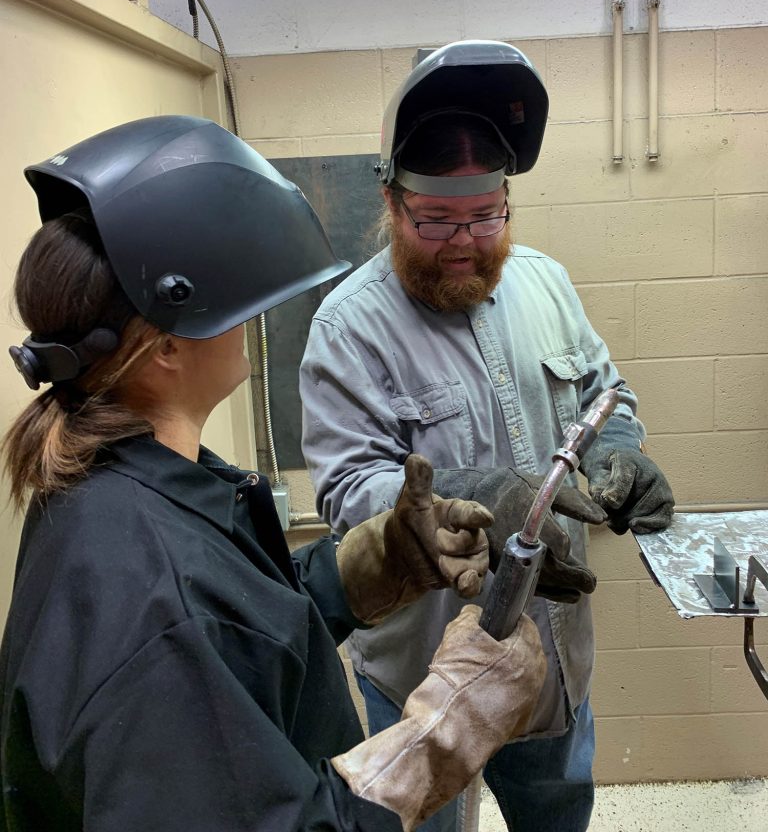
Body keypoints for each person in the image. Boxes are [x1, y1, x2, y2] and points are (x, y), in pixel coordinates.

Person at [0, 115, 548, 832]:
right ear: (166, 346)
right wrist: (447, 727)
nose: (255, 319)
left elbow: (237, 639)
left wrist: (375, 563)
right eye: (241, 303)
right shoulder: (149, 596)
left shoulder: (129, 480)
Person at [299, 41, 676, 832]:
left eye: (485, 215)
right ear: (393, 203)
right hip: (428, 674)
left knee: (557, 817)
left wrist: (621, 450)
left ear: (508, 201)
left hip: (552, 667)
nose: (464, 240)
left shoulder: (544, 280)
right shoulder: (348, 327)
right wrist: (473, 494)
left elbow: (605, 395)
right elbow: (346, 493)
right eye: (435, 220)